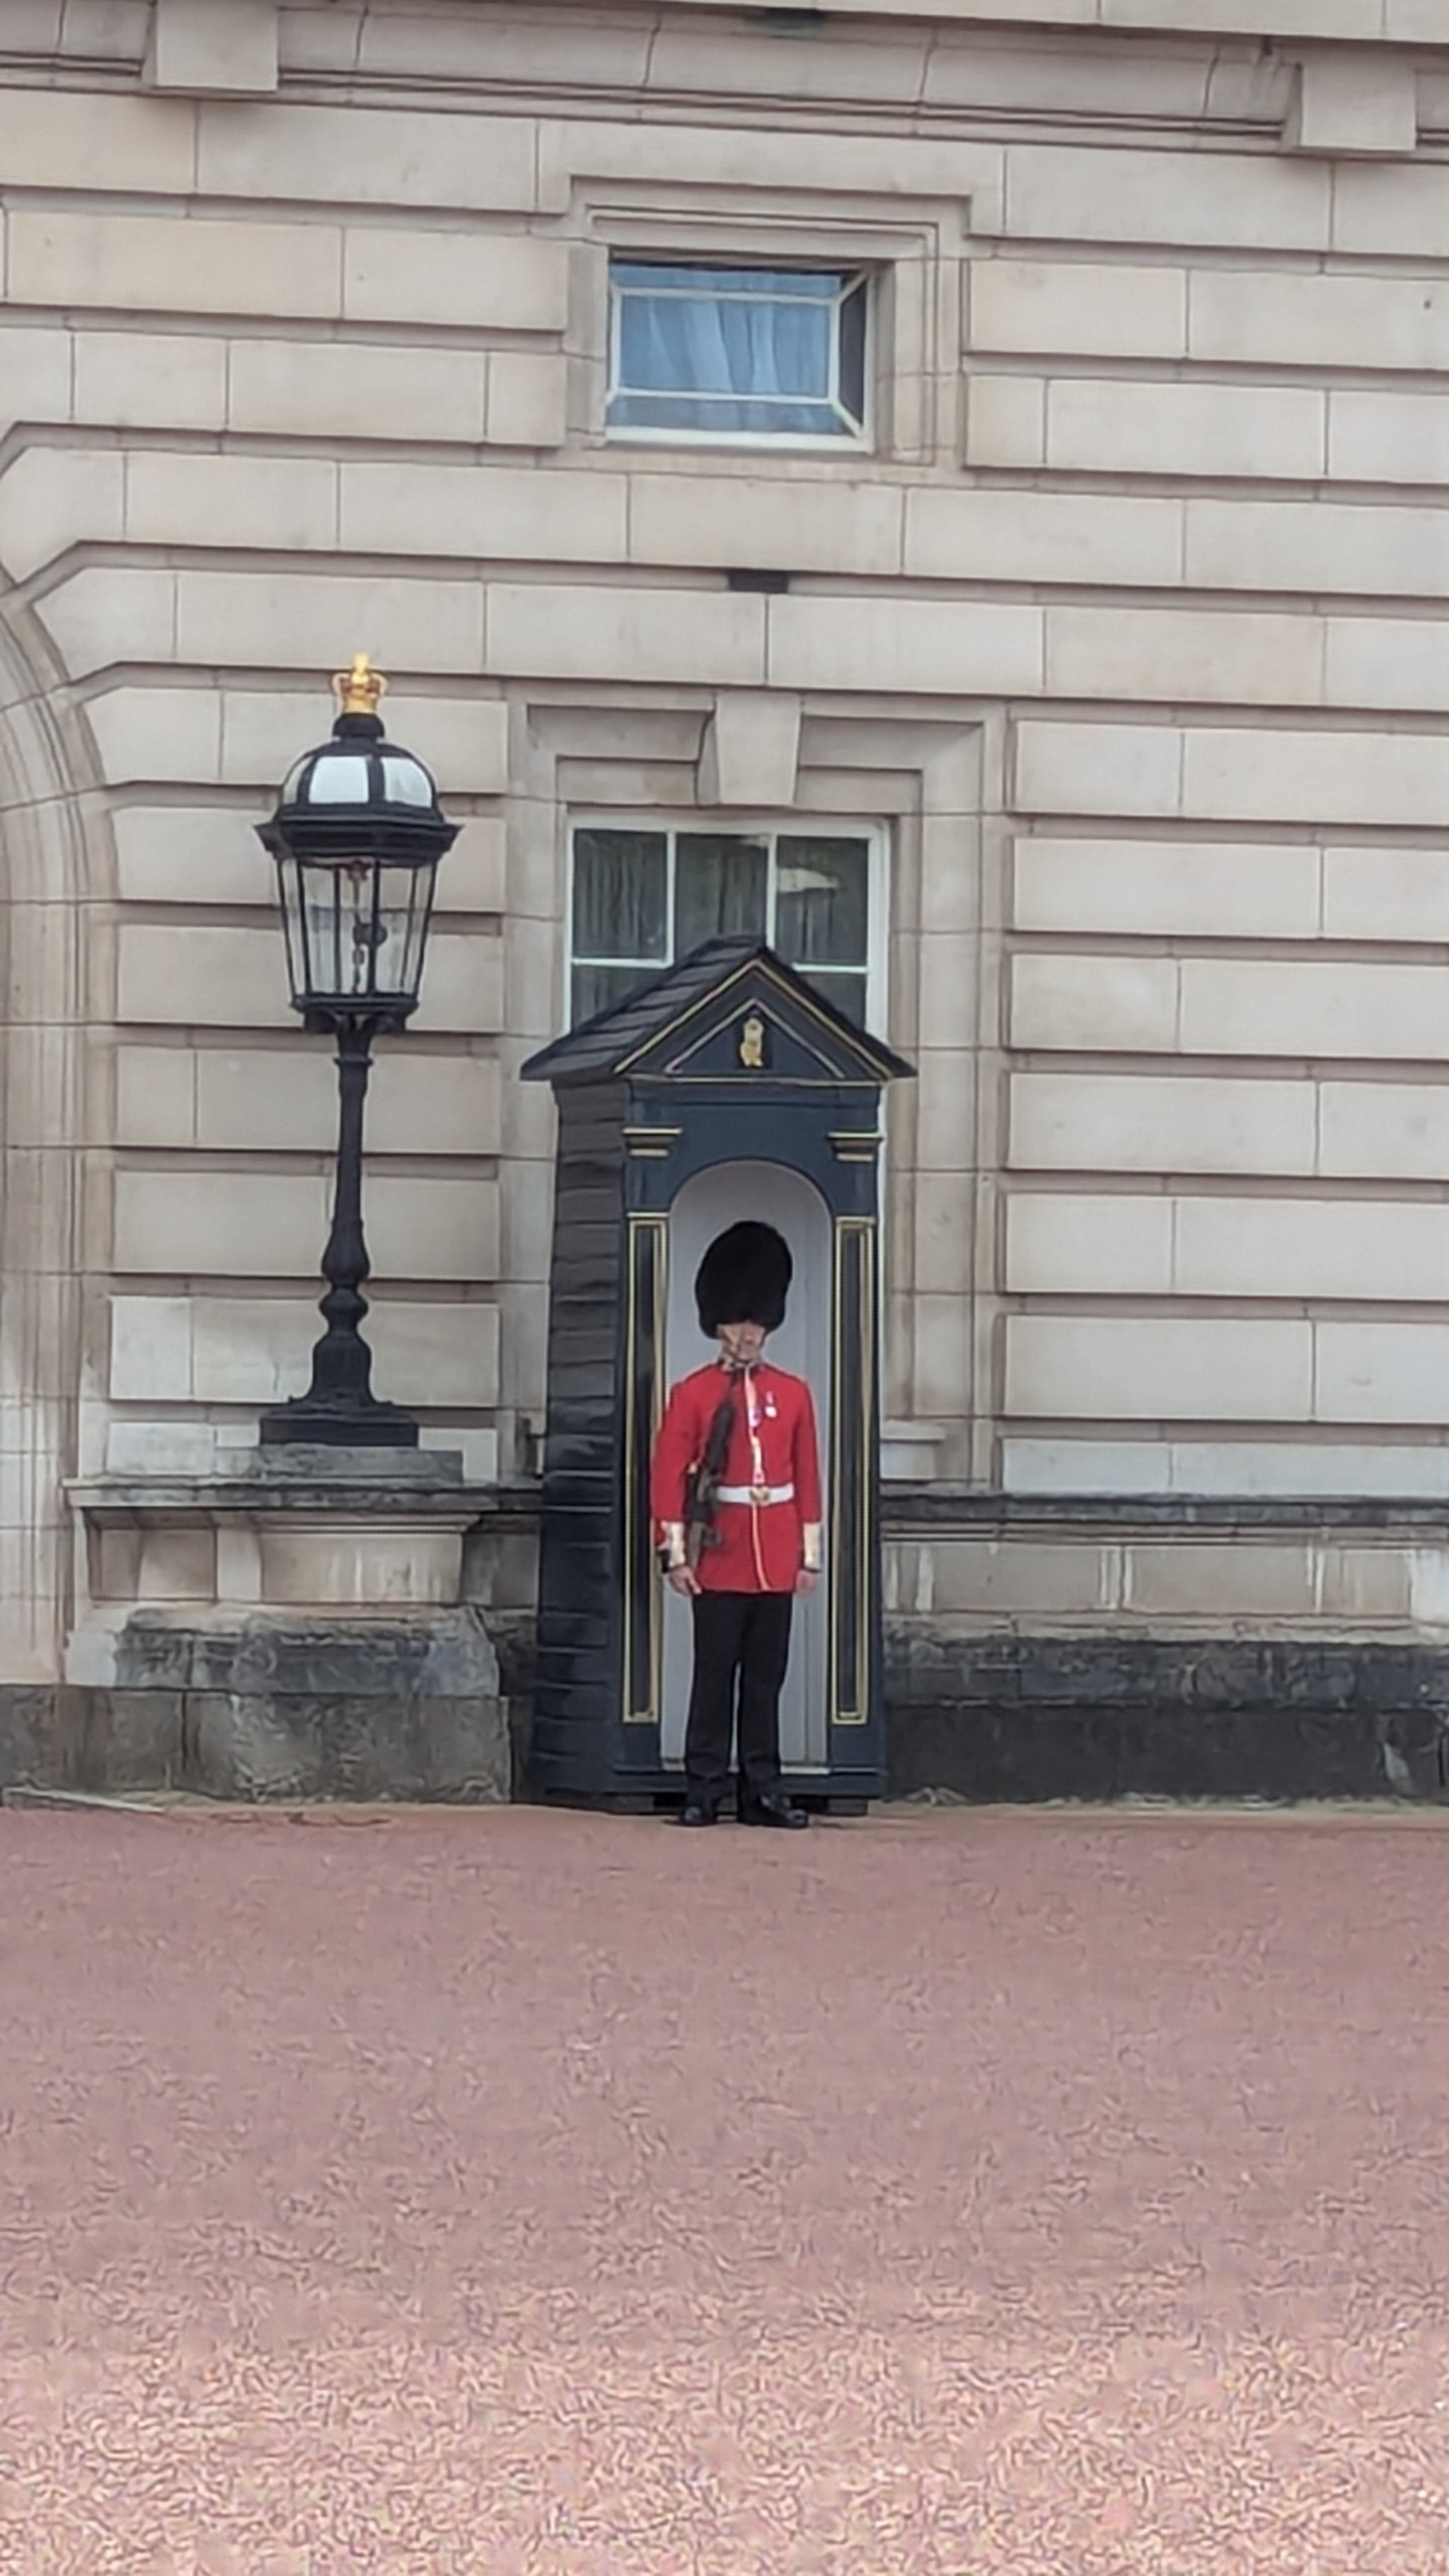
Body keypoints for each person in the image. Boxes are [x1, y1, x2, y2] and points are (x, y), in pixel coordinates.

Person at [650, 1220, 822, 1828]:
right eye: (739, 1322)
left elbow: (806, 1476)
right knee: (714, 1675)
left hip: (773, 1554)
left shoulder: (794, 1394)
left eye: (756, 1323)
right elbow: (668, 1475)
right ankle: (704, 1785)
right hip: (720, 1554)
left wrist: (808, 1555)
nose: (749, 1333)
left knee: (765, 1682)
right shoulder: (693, 1393)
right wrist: (675, 1552)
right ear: (719, 1324)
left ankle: (762, 1789)